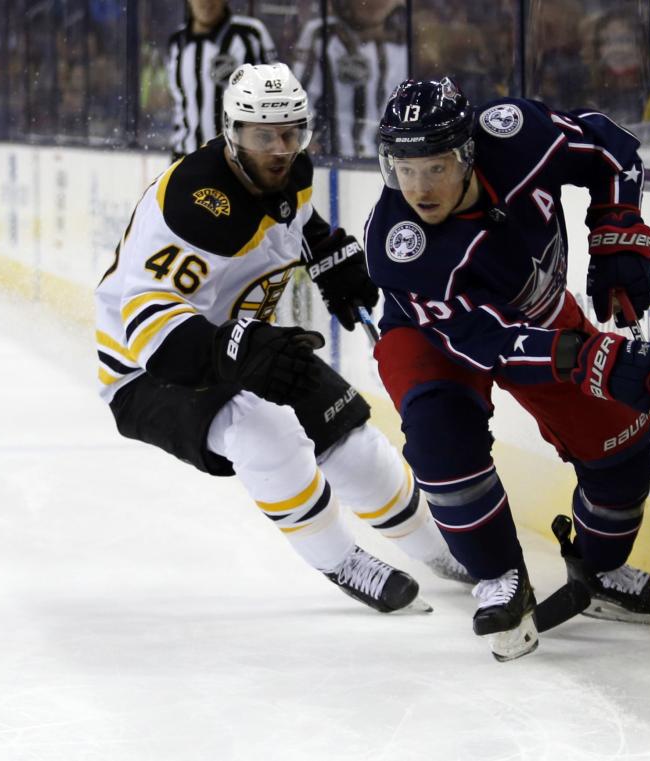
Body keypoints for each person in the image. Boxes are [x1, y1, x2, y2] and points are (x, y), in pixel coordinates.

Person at [95, 62, 470, 615]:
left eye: (292, 132)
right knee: (262, 432)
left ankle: (442, 550)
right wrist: (237, 350)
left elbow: (297, 219)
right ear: (232, 131)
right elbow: (150, 326)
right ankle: (342, 559)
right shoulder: (194, 206)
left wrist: (328, 254)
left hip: (237, 341)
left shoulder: (291, 170)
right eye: (262, 135)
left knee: (347, 430)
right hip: (145, 370)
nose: (279, 148)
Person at [365, 77, 650, 661]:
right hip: (432, 336)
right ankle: (499, 577)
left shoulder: (516, 134)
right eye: (404, 168)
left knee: (625, 455)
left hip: (540, 315)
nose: (418, 187)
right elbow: (486, 344)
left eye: (435, 167)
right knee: (442, 440)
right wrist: (598, 360)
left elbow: (610, 149)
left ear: (468, 151)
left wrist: (619, 239)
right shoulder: (398, 243)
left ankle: (597, 572)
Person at [293, 0, 407, 157]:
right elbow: (301, 100)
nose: (377, 3)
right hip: (331, 158)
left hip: (384, 161)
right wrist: (303, 141)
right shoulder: (322, 34)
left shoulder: (403, 39)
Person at [167, 0, 277, 161]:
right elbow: (180, 106)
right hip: (186, 159)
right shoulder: (177, 43)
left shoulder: (250, 34)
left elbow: (277, 95)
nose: (206, 2)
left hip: (239, 162)